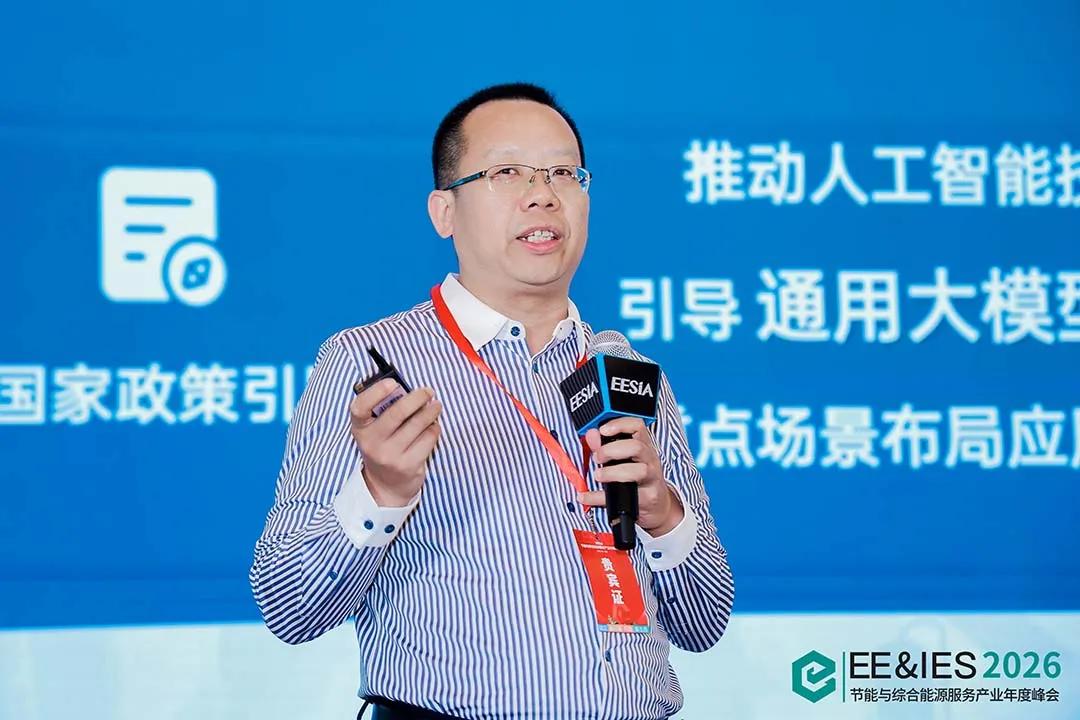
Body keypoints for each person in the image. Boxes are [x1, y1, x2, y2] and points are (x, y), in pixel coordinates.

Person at [250, 83, 734, 720]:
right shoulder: (371, 366)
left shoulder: (626, 371)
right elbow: (290, 608)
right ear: (444, 212)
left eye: (564, 174)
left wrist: (664, 517)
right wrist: (381, 491)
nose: (543, 194)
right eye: (507, 172)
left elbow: (704, 621)